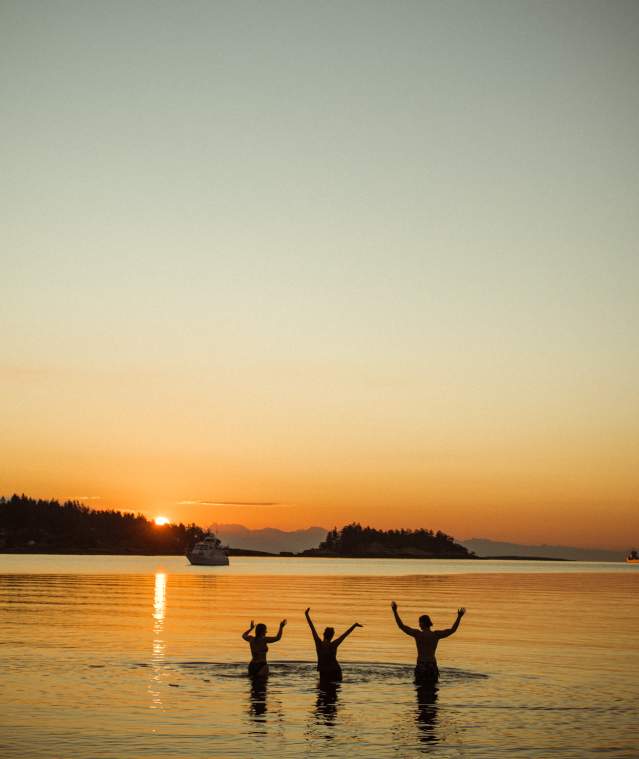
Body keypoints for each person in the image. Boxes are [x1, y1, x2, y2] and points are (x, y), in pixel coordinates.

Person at [391, 601, 466, 684]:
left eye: (419, 622)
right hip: (432, 666)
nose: (419, 624)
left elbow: (401, 626)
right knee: (433, 691)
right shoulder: (436, 635)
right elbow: (452, 630)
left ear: (423, 623)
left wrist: (395, 611)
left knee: (420, 692)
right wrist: (459, 617)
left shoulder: (417, 634)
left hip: (421, 666)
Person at [304, 607, 362, 682]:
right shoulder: (333, 644)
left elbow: (312, 628)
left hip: (325, 672)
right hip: (335, 672)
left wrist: (307, 615)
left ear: (324, 634)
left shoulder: (318, 643)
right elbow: (345, 635)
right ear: (331, 636)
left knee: (323, 691)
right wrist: (354, 625)